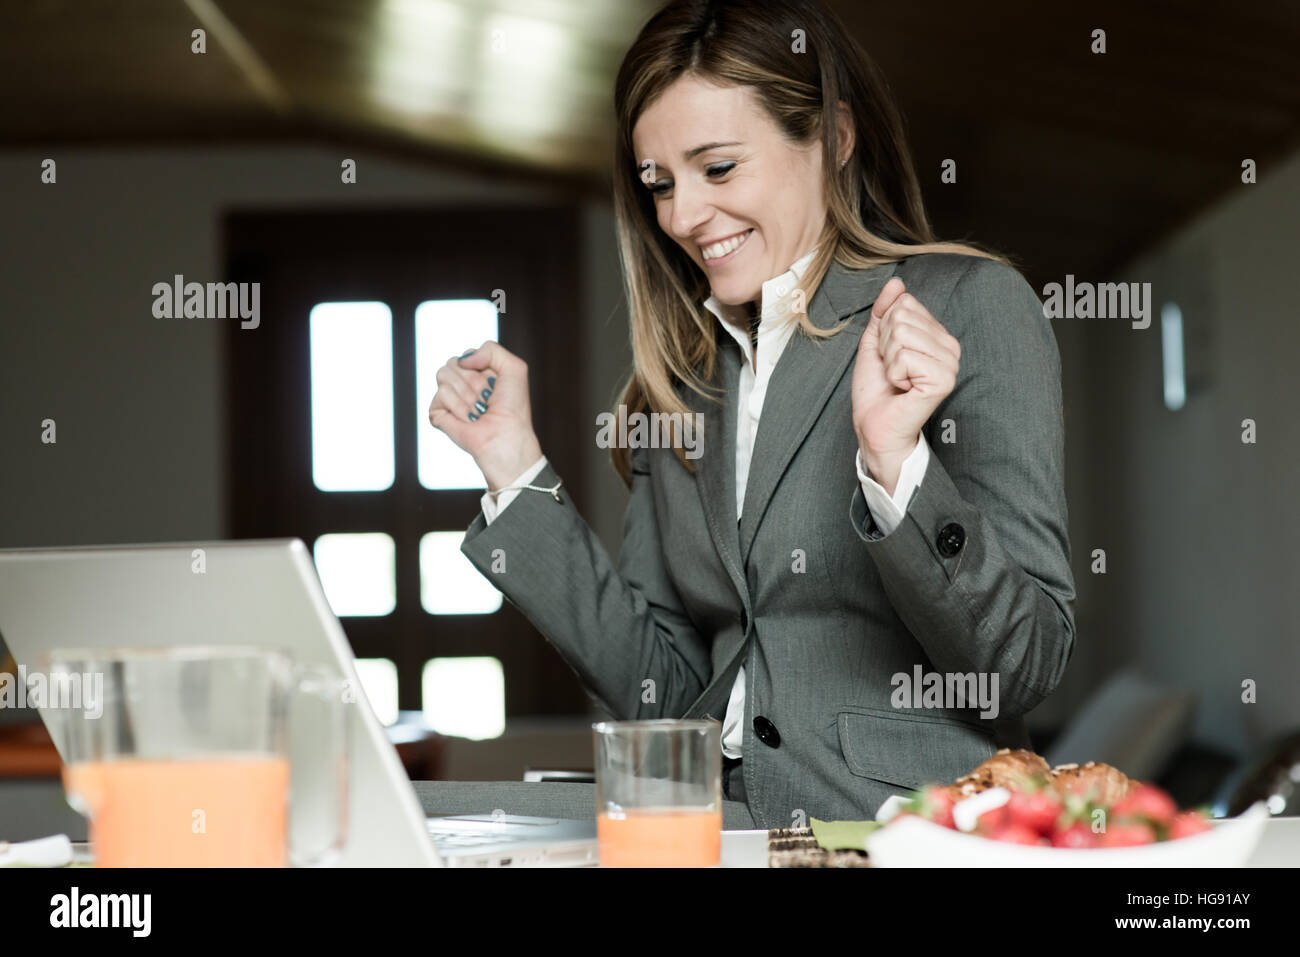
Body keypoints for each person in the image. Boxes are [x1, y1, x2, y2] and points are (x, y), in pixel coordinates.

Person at [428, 0, 1075, 828]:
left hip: (900, 830)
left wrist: (895, 467)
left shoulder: (970, 307)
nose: (681, 217)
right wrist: (515, 471)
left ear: (835, 140)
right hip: (713, 827)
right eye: (658, 183)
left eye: (719, 168)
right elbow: (653, 687)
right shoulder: (686, 379)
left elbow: (1023, 662)